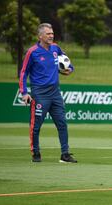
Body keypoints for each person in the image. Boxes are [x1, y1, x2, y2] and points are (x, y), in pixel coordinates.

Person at [19, 23, 77, 163]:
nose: (51, 35)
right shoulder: (32, 52)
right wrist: (24, 92)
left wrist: (69, 70)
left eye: (52, 33)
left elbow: (68, 64)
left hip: (55, 94)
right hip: (40, 94)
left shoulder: (56, 48)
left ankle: (65, 154)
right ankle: (36, 153)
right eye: (48, 33)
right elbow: (23, 72)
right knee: (36, 125)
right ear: (40, 36)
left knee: (62, 123)